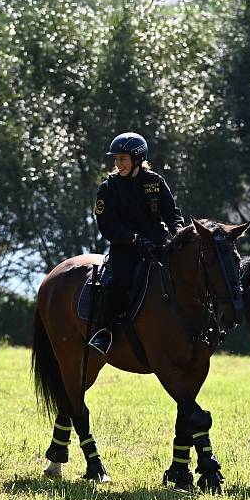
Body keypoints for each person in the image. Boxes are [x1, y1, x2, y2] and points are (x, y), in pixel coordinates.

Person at [88, 132, 185, 355]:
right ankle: (104, 333)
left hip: (158, 247)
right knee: (117, 283)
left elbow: (172, 213)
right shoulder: (108, 188)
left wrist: (178, 232)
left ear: (137, 159)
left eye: (122, 158)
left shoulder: (155, 182)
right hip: (126, 250)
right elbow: (107, 225)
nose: (117, 164)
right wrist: (133, 239)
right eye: (116, 159)